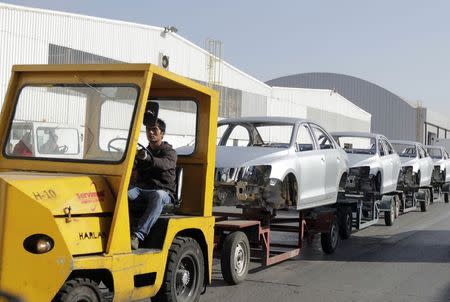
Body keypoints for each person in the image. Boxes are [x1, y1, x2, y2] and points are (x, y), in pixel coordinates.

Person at [128, 118, 177, 250]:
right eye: (148, 130)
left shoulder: (170, 152)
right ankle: (120, 230)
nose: (151, 133)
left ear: (162, 133)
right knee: (123, 193)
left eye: (154, 129)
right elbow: (133, 167)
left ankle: (137, 236)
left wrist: (147, 158)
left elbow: (164, 164)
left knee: (158, 195)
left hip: (164, 192)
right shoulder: (143, 152)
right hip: (142, 190)